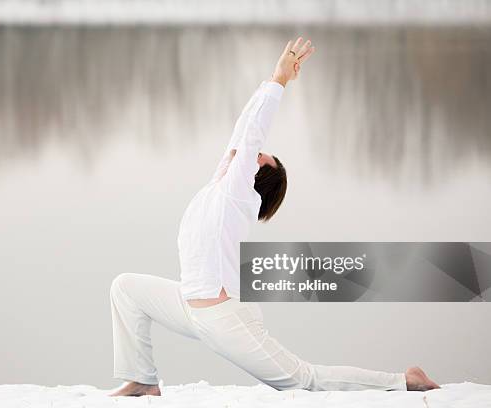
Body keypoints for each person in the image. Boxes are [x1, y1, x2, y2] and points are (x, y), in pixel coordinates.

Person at [109, 37, 440, 397]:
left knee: (303, 380)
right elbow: (242, 131)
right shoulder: (219, 187)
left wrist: (280, 82)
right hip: (190, 306)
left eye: (258, 157)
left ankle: (405, 381)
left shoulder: (238, 195)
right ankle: (142, 379)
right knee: (126, 288)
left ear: (257, 177)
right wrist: (271, 77)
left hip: (223, 319)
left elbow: (252, 133)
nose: (248, 153)